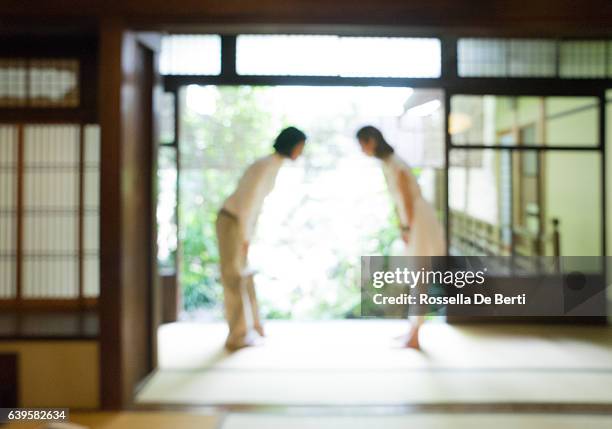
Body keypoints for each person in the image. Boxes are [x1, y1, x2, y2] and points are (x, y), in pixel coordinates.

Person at [216, 126, 307, 350]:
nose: (301, 152)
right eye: (300, 147)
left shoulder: (272, 165)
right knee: (234, 277)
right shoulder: (265, 166)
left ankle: (253, 327)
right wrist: (245, 237)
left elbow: (254, 207)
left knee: (244, 275)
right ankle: (237, 336)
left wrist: (248, 235)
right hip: (232, 221)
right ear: (291, 144)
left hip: (239, 223)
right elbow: (246, 205)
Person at [356, 125, 445, 349]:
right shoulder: (390, 163)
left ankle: (415, 334)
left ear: (372, 141)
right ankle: (412, 331)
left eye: (362, 144)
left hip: (418, 220)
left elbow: (406, 198)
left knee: (419, 276)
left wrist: (406, 227)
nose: (362, 149)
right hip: (415, 219)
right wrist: (403, 225)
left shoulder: (394, 163)